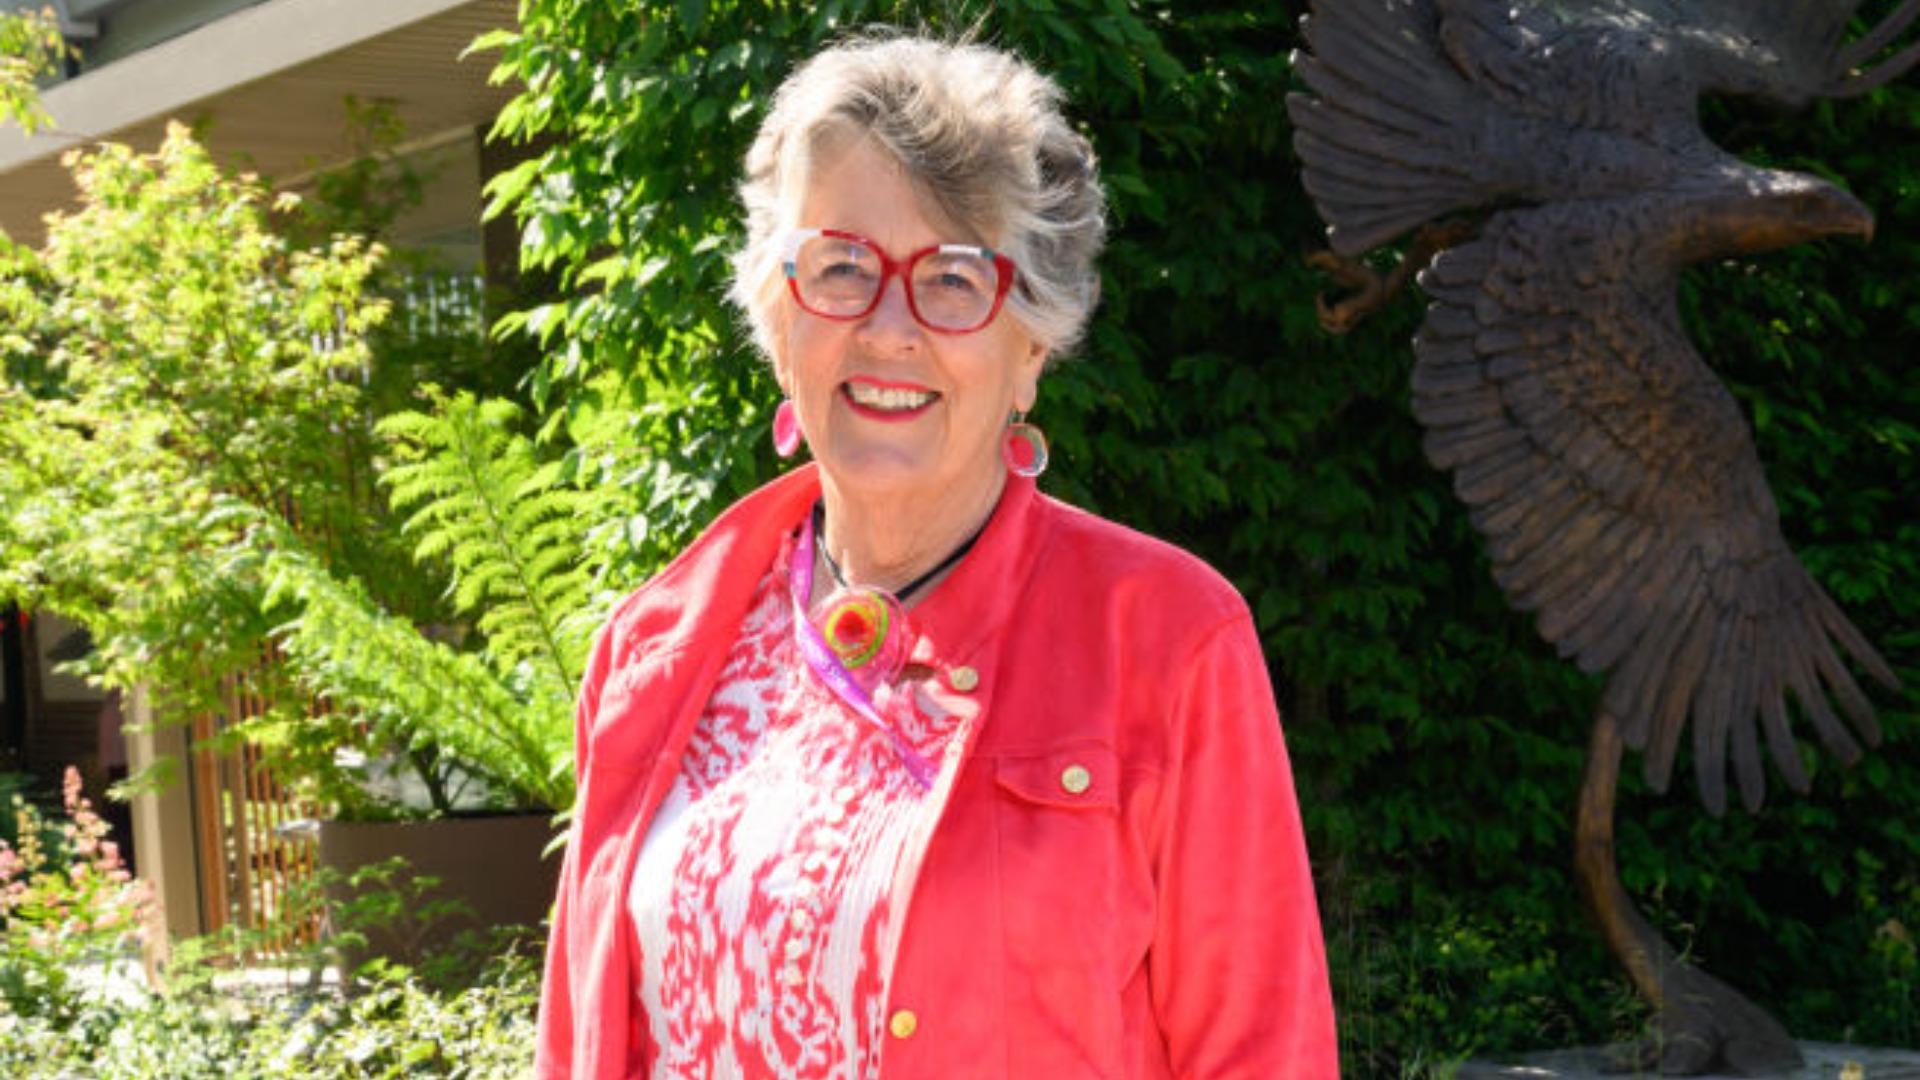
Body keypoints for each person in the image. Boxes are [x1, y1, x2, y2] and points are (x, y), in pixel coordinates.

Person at [536, 31, 1338, 1079]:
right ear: (778, 318)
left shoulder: (1168, 639)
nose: (888, 328)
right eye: (841, 267)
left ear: (1032, 347)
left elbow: (1260, 1052)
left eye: (955, 281)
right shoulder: (655, 643)